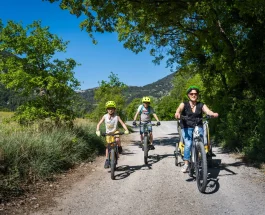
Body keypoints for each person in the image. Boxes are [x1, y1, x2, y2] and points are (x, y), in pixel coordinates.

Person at [175, 86, 218, 173]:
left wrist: (212, 113)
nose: (194, 95)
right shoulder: (184, 104)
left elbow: (207, 111)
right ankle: (186, 163)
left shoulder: (201, 105)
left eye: (195, 94)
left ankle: (200, 157)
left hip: (198, 125)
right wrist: (177, 113)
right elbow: (179, 110)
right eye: (191, 94)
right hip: (186, 126)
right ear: (188, 95)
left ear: (197, 95)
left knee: (202, 142)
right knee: (188, 144)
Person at [96, 101, 129, 168]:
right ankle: (107, 160)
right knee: (108, 147)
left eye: (112, 108)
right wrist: (97, 130)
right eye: (109, 108)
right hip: (108, 133)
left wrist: (126, 129)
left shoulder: (117, 117)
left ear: (114, 109)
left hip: (115, 131)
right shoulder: (105, 116)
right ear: (107, 109)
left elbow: (122, 123)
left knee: (117, 139)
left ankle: (119, 147)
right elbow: (99, 124)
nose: (110, 110)